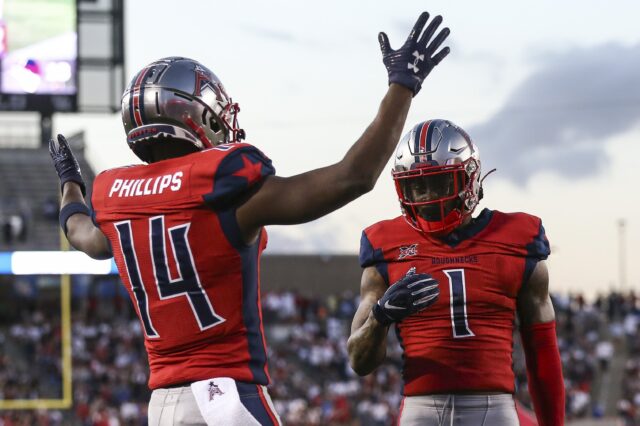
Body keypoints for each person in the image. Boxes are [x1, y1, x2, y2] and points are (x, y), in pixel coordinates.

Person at [48, 12, 451, 426]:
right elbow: (353, 177)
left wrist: (70, 183)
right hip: (224, 397)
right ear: (200, 115)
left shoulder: (117, 199)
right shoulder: (223, 186)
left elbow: (80, 232)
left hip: (162, 406)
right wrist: (403, 87)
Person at [347, 119, 565, 425]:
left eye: (438, 183)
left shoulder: (518, 237)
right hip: (421, 409)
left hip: (495, 409)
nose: (425, 197)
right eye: (416, 186)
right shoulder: (384, 243)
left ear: (470, 178)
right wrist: (380, 317)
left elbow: (542, 351)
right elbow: (358, 361)